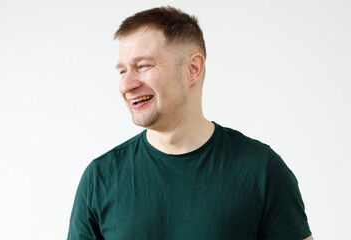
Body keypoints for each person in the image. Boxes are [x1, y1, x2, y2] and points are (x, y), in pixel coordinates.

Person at [68, 6, 313, 240]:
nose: (126, 84)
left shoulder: (261, 170)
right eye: (122, 71)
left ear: (193, 69)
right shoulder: (100, 178)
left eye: (142, 66)